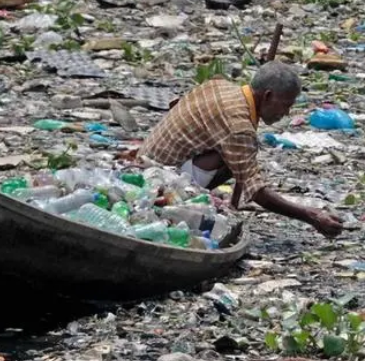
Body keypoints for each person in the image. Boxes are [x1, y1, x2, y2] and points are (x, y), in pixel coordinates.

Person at [137, 61, 343, 238]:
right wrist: (312, 216)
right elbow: (257, 191)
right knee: (235, 156)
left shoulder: (220, 85)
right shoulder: (238, 126)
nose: (287, 112)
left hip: (145, 162)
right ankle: (182, 201)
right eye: (285, 105)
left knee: (238, 155)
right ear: (268, 96)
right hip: (158, 182)